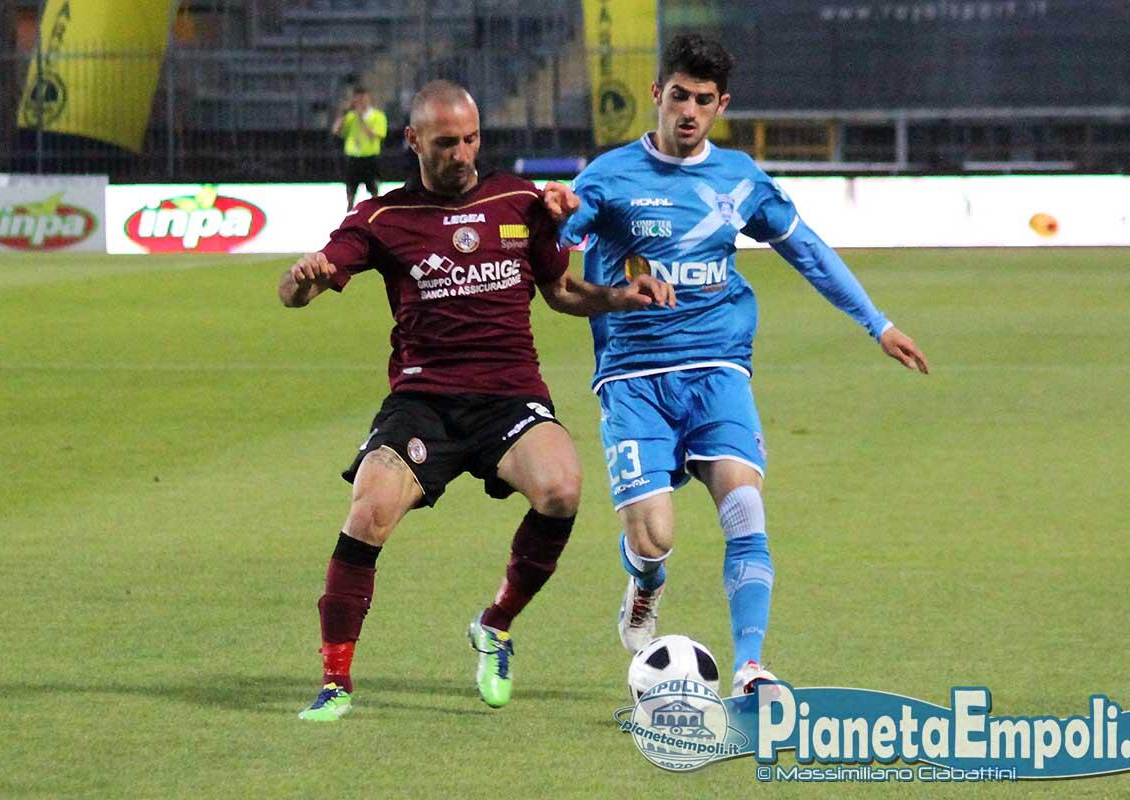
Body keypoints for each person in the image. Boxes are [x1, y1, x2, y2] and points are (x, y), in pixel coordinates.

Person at [543, 34, 929, 696]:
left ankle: (751, 667)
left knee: (745, 507)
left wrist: (879, 323)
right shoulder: (608, 177)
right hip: (633, 378)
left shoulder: (740, 180)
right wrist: (554, 217)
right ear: (657, 94)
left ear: (721, 105)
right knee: (655, 538)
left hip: (718, 369)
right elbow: (554, 255)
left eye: (704, 100)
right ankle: (646, 580)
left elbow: (807, 251)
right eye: (679, 96)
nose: (689, 112)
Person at [281, 80, 673, 721]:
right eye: (445, 143)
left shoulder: (519, 201)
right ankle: (335, 682)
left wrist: (617, 298)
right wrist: (303, 280)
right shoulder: (381, 219)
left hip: (509, 395)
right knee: (369, 511)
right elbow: (299, 291)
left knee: (562, 489)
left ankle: (495, 624)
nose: (461, 154)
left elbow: (559, 290)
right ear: (412, 141)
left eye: (470, 140)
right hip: (424, 400)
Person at [332, 85, 388, 210]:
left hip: (370, 158)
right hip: (353, 158)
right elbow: (336, 131)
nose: (360, 102)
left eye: (363, 98)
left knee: (374, 191)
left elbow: (374, 136)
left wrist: (361, 118)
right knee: (350, 192)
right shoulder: (351, 117)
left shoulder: (378, 116)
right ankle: (350, 213)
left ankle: (375, 213)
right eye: (357, 99)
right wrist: (343, 113)